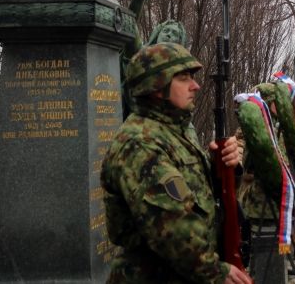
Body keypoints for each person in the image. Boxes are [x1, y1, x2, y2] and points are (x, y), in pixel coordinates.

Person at [100, 42, 251, 283]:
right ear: (156, 86)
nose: (195, 85)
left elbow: (196, 199)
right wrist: (216, 271)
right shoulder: (140, 143)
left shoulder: (172, 133)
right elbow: (172, 226)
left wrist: (222, 170)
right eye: (183, 78)